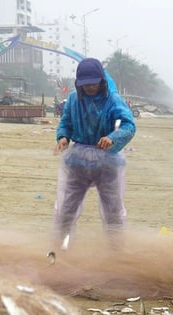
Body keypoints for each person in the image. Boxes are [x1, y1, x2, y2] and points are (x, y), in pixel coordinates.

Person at [52, 58, 136, 250]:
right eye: (85, 84)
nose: (90, 87)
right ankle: (61, 248)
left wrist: (112, 138)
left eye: (93, 83)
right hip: (77, 160)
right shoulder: (74, 99)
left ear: (101, 80)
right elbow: (66, 122)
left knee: (112, 211)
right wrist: (63, 137)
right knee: (66, 209)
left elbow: (129, 125)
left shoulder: (113, 100)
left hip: (107, 160)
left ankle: (116, 251)